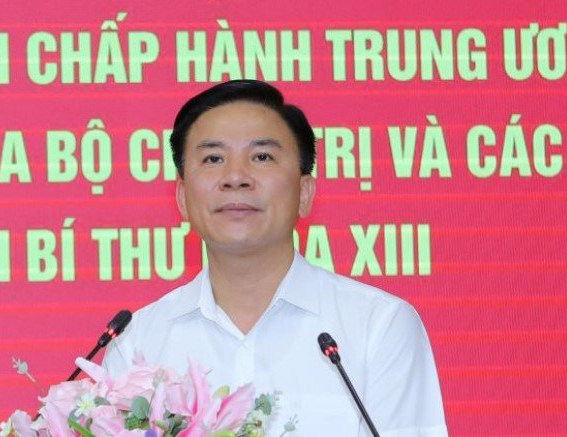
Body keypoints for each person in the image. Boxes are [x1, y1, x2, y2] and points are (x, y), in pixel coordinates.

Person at [99, 80, 447, 436]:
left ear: (304, 193)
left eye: (262, 157)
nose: (236, 177)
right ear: (183, 198)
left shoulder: (378, 327)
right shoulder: (137, 344)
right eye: (213, 159)